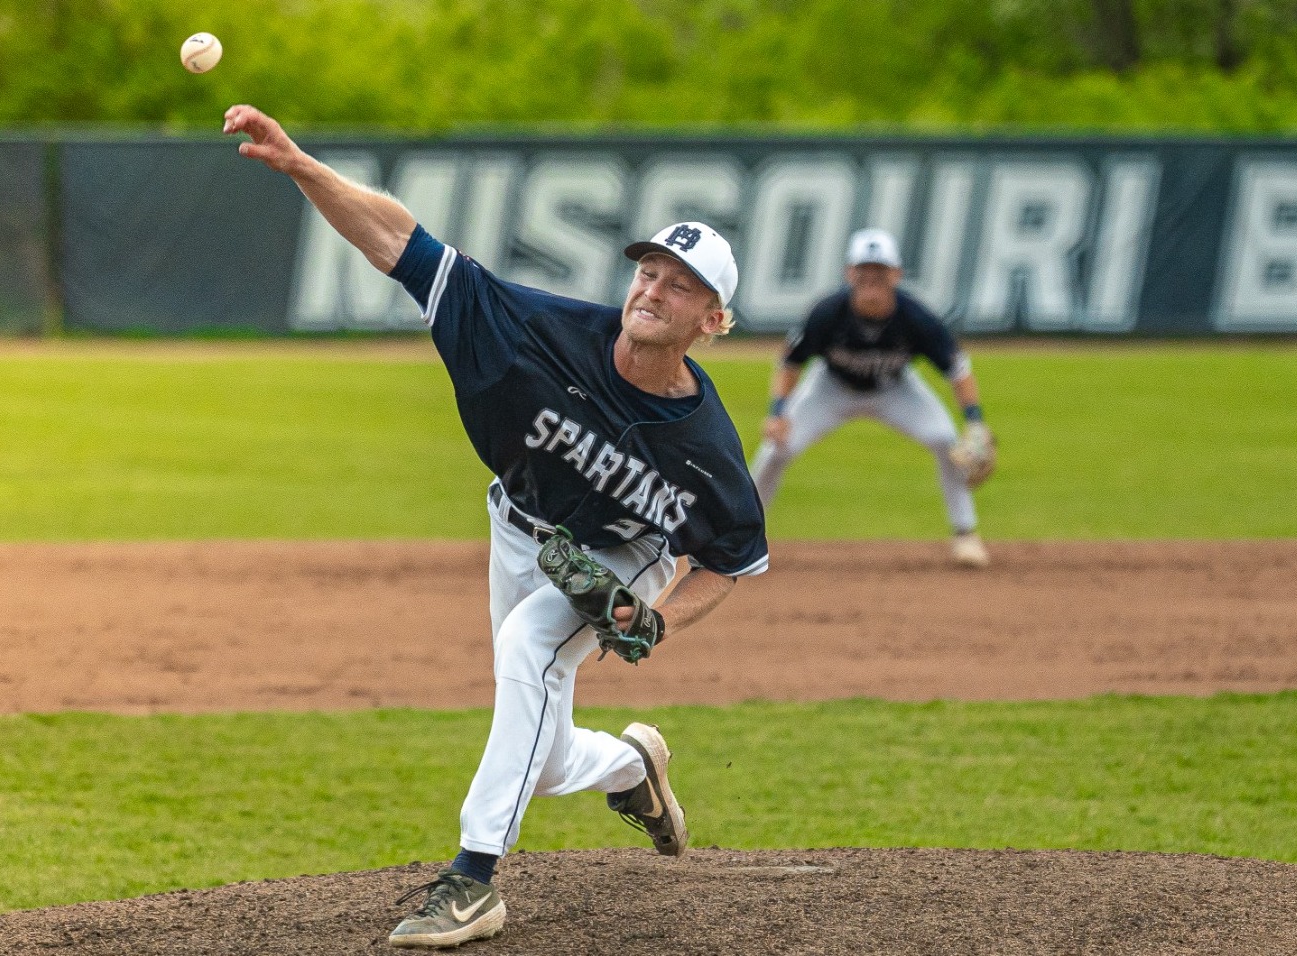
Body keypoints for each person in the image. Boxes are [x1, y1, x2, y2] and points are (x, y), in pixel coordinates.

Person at [223, 104, 768, 949]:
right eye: (649, 273)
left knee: (528, 650)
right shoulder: (538, 332)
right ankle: (633, 766)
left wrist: (655, 621)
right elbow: (402, 244)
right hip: (518, 528)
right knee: (543, 758)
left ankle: (473, 881)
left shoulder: (706, 450)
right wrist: (301, 166)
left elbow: (731, 562)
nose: (654, 291)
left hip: (622, 555)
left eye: (681, 285)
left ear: (713, 321)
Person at [749, 227, 994, 568]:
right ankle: (740, 536)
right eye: (863, 270)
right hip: (830, 389)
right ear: (850, 273)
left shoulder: (916, 317)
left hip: (895, 389)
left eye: (879, 271)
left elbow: (958, 370)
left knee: (944, 439)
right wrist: (777, 412)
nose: (871, 278)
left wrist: (974, 421)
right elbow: (790, 364)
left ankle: (966, 533)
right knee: (777, 446)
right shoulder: (827, 312)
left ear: (896, 274)